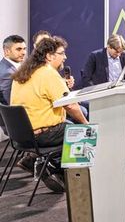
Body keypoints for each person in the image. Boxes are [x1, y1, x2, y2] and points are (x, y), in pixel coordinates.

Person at [10, 36, 89, 191]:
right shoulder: (48, 73)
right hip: (42, 135)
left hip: (22, 136)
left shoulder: (23, 72)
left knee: (69, 125)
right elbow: (71, 106)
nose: (65, 57)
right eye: (62, 53)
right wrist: (87, 124)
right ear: (49, 56)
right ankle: (67, 178)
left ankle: (35, 160)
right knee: (84, 133)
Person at [80, 34, 125, 142]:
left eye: (120, 52)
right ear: (108, 47)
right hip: (105, 93)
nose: (119, 55)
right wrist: (95, 92)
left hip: (124, 91)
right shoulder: (95, 56)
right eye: (116, 52)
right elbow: (86, 78)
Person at [0, 35, 26, 105]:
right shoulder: (7, 73)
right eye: (19, 49)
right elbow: (9, 104)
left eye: (24, 49)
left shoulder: (16, 65)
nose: (23, 52)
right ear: (7, 51)